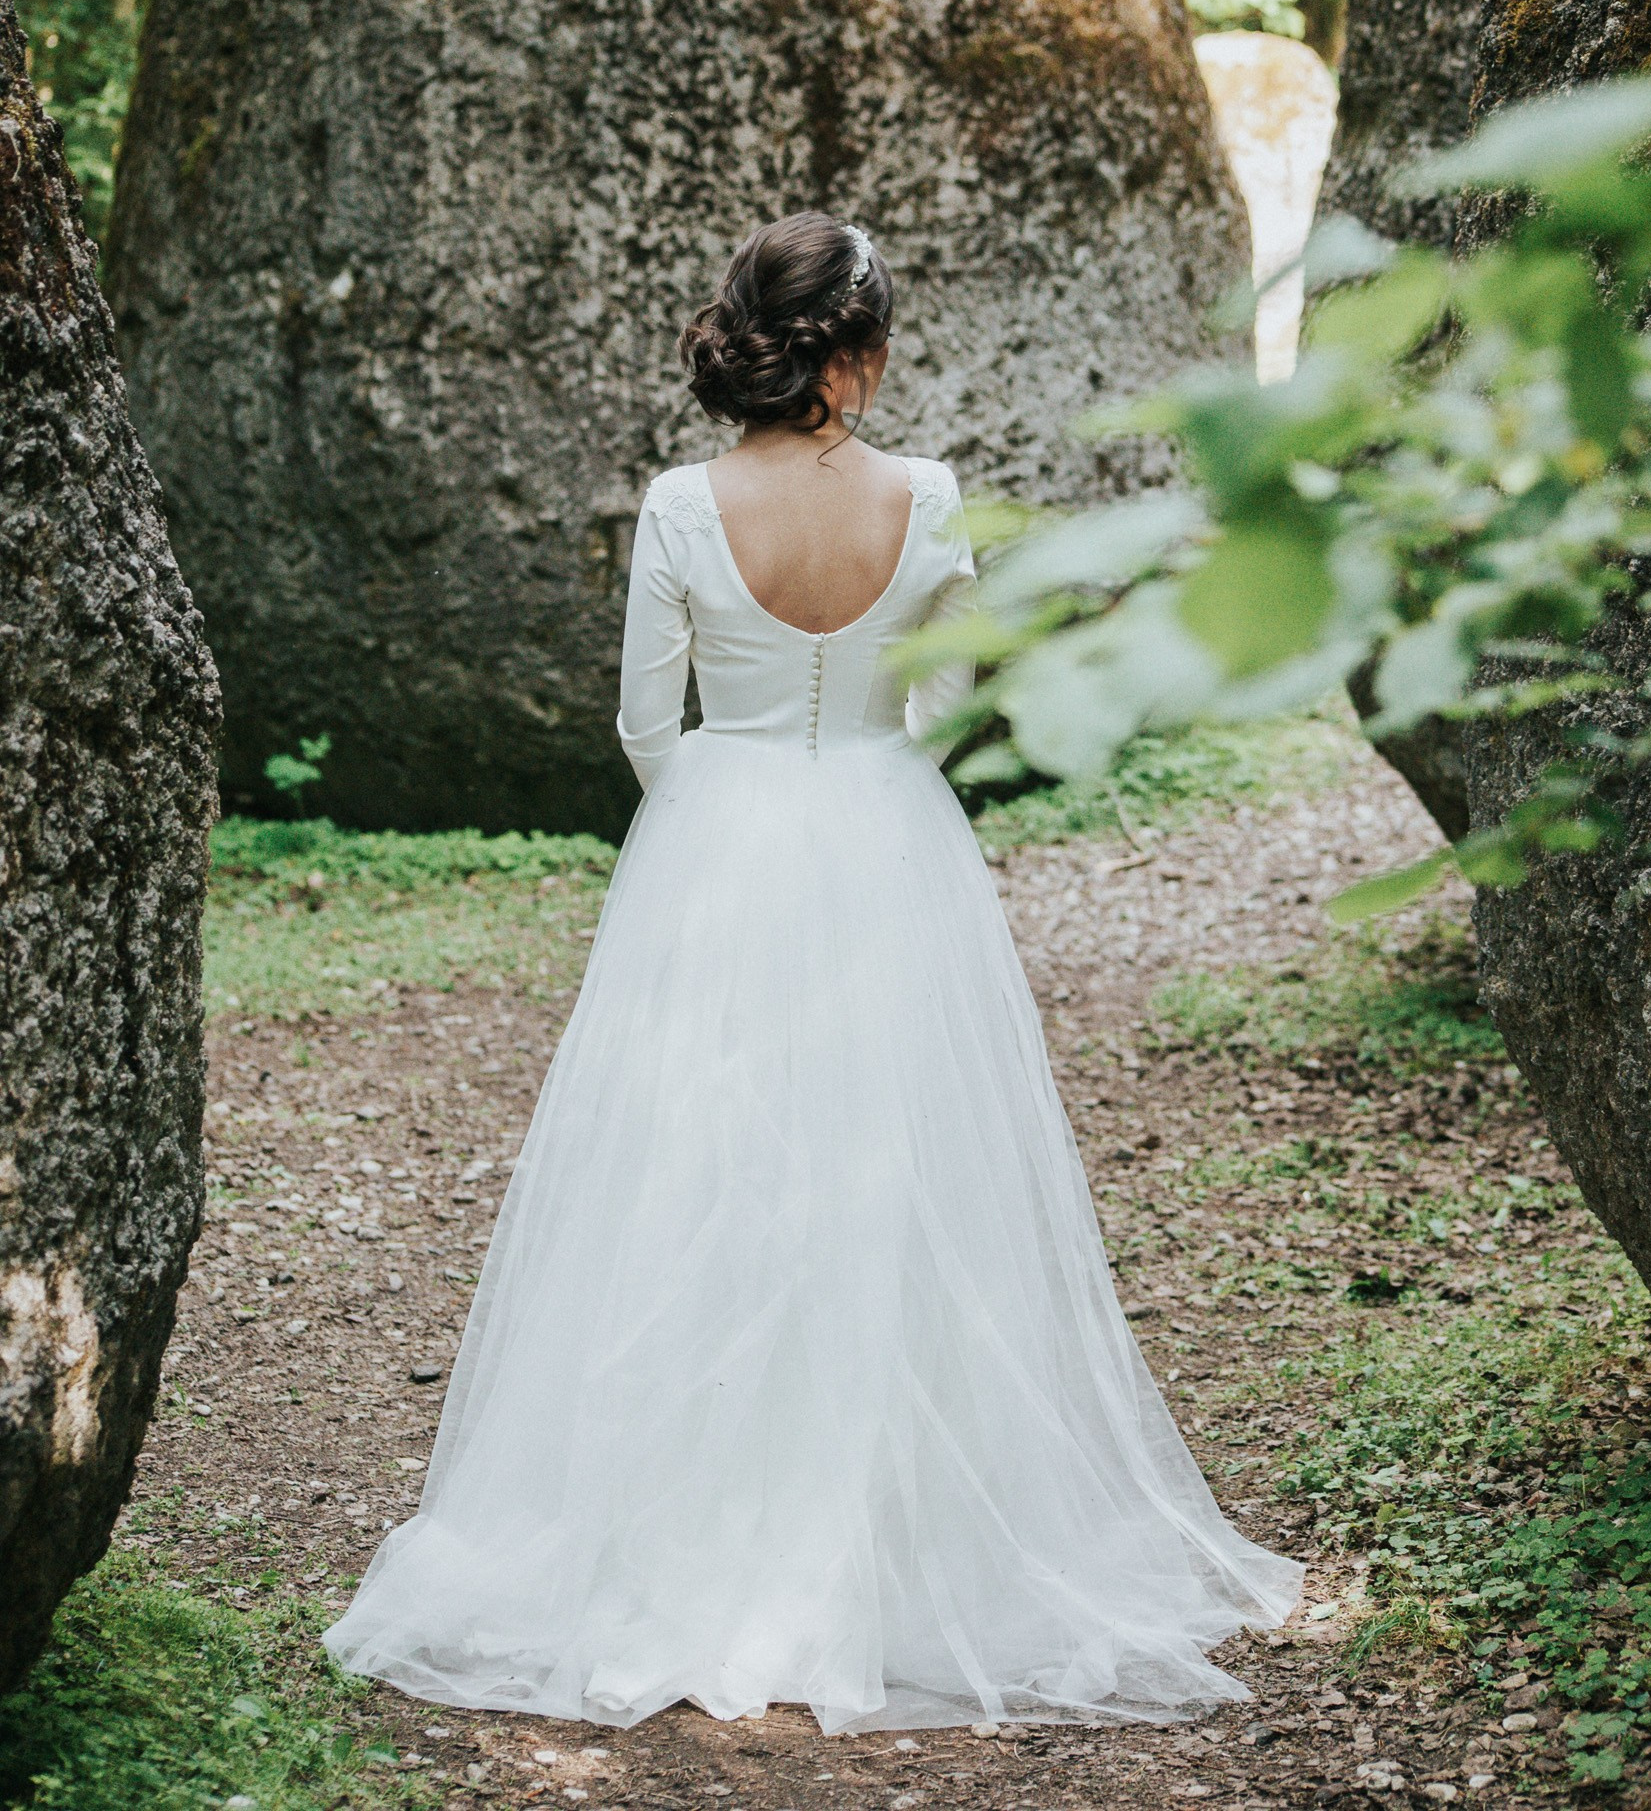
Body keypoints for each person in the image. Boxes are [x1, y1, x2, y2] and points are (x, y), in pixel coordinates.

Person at [324, 211, 1302, 1733]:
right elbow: (958, 693)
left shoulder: (679, 503)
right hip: (884, 827)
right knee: (905, 1169)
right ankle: (899, 1534)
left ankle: (675, 1528)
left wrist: (717, 829)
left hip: (715, 846)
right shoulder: (929, 498)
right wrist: (861, 775)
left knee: (693, 1170)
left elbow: (649, 726)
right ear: (856, 352)